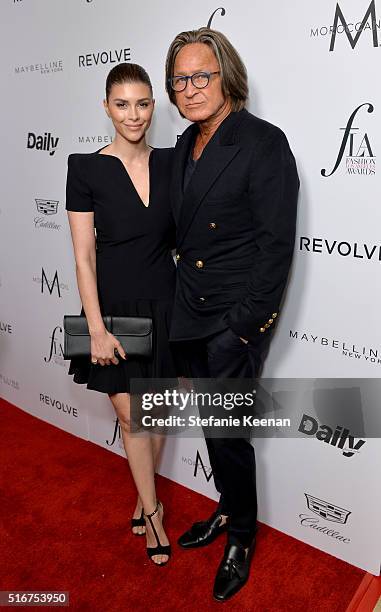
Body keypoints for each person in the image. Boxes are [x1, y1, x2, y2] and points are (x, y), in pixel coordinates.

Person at [165, 28, 299, 600]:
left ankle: (241, 534)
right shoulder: (181, 146)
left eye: (202, 76)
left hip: (229, 324)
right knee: (214, 432)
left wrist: (243, 328)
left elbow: (275, 247)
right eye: (179, 80)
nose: (190, 89)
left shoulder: (263, 142)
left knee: (229, 437)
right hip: (186, 315)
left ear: (227, 77)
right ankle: (227, 510)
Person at [66, 62, 176, 566]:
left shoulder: (174, 163)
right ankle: (153, 512)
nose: (134, 115)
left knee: (157, 413)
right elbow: (84, 257)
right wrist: (95, 328)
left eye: (143, 103)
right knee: (132, 414)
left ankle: (142, 493)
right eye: (122, 104)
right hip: (115, 312)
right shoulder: (85, 168)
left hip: (168, 302)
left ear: (155, 104)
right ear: (106, 106)